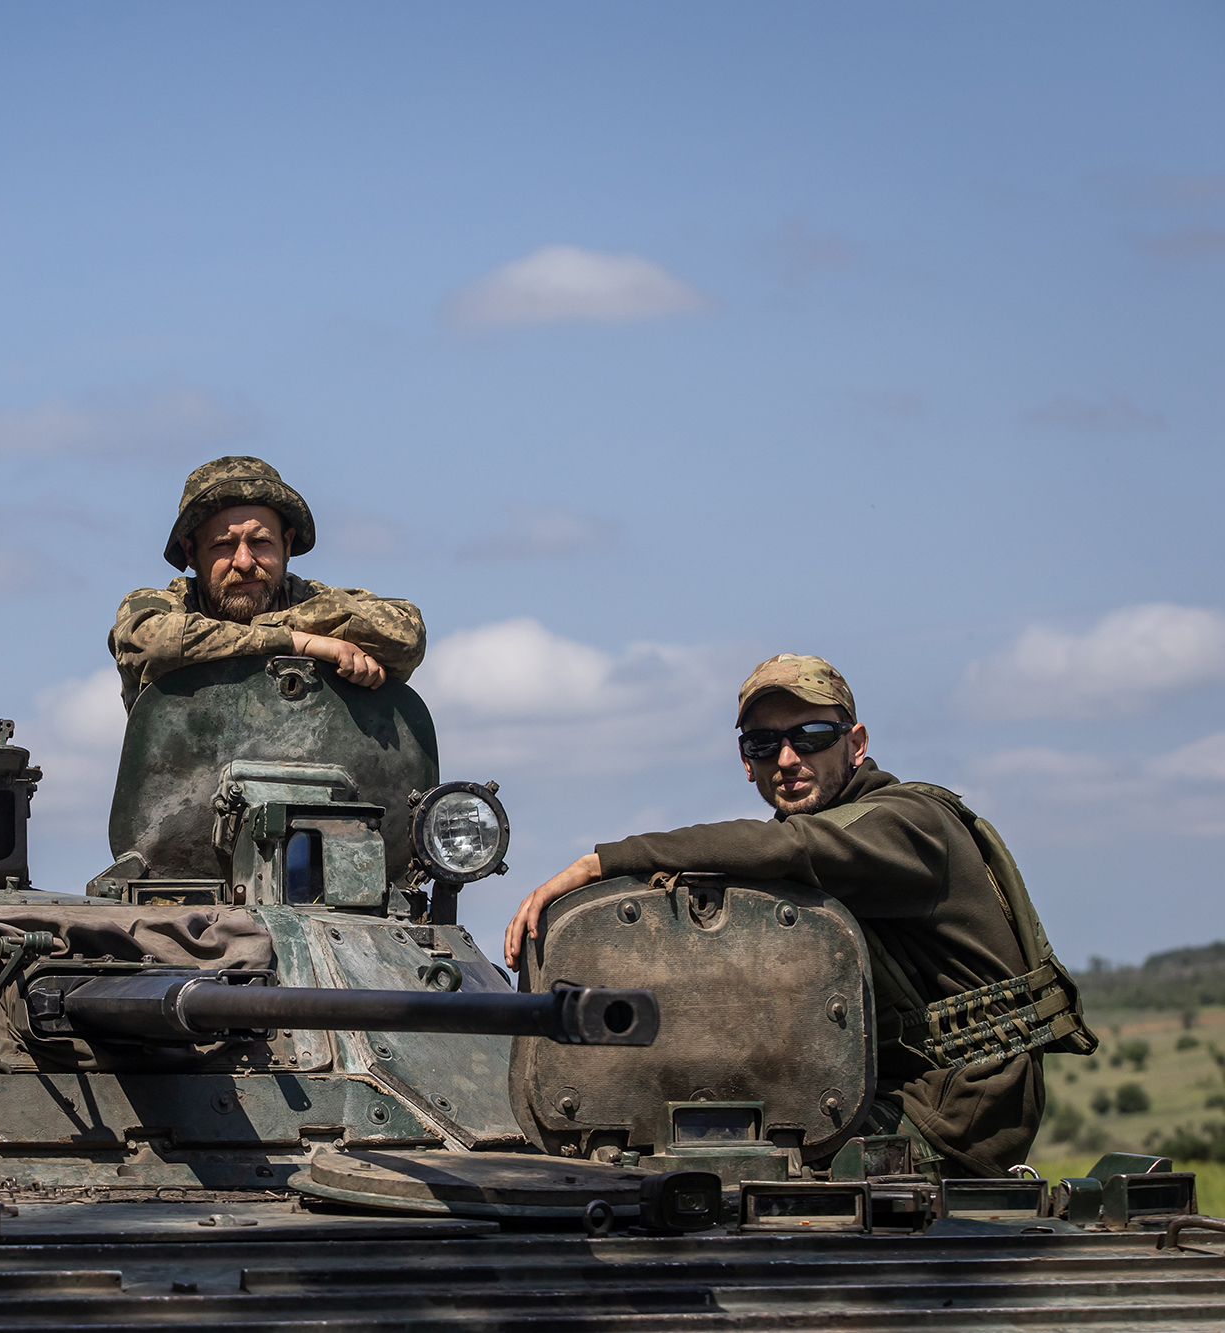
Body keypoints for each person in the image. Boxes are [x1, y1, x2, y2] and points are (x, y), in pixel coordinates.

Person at [502, 653, 1095, 1180]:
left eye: (811, 736)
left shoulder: (907, 824)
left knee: (744, 1185)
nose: (787, 759)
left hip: (951, 1108)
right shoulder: (810, 849)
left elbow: (791, 847)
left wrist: (604, 862)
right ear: (746, 761)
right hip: (883, 1089)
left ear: (855, 743)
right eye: (764, 744)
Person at [108, 456, 426, 711]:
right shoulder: (163, 607)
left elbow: (405, 633)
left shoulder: (310, 599)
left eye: (260, 542)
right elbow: (147, 643)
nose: (244, 562)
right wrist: (301, 643)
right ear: (191, 552)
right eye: (222, 545)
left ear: (286, 545)